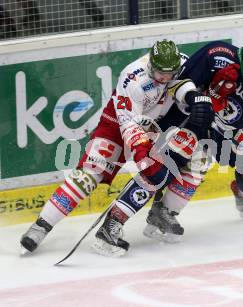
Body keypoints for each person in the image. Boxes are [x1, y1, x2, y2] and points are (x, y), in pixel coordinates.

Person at [94, 28, 243, 252]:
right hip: (190, 118)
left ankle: (240, 197)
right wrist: (197, 100)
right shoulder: (217, 54)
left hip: (226, 131)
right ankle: (113, 222)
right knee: (162, 167)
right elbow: (181, 80)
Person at [19, 39, 215, 255]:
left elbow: (182, 87)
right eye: (160, 73)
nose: (165, 78)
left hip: (156, 128)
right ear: (151, 65)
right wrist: (143, 155)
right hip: (117, 125)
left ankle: (143, 218)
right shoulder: (133, 77)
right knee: (88, 176)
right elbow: (129, 123)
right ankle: (40, 227)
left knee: (175, 168)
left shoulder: (182, 66)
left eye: (171, 73)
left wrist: (194, 98)